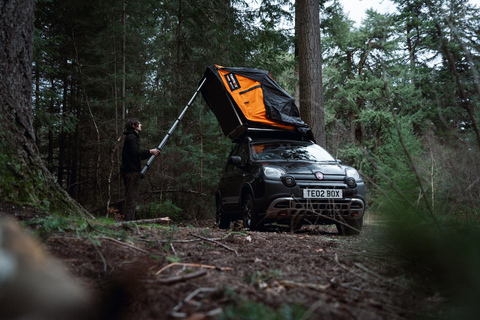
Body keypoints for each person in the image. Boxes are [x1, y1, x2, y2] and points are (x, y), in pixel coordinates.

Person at [120, 118, 160, 221]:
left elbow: (137, 155)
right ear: (134, 125)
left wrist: (150, 153)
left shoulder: (132, 137)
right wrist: (150, 151)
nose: (141, 125)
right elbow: (136, 153)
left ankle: (129, 221)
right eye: (139, 123)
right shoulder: (132, 137)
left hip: (131, 172)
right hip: (131, 172)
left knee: (131, 198)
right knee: (132, 198)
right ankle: (129, 223)